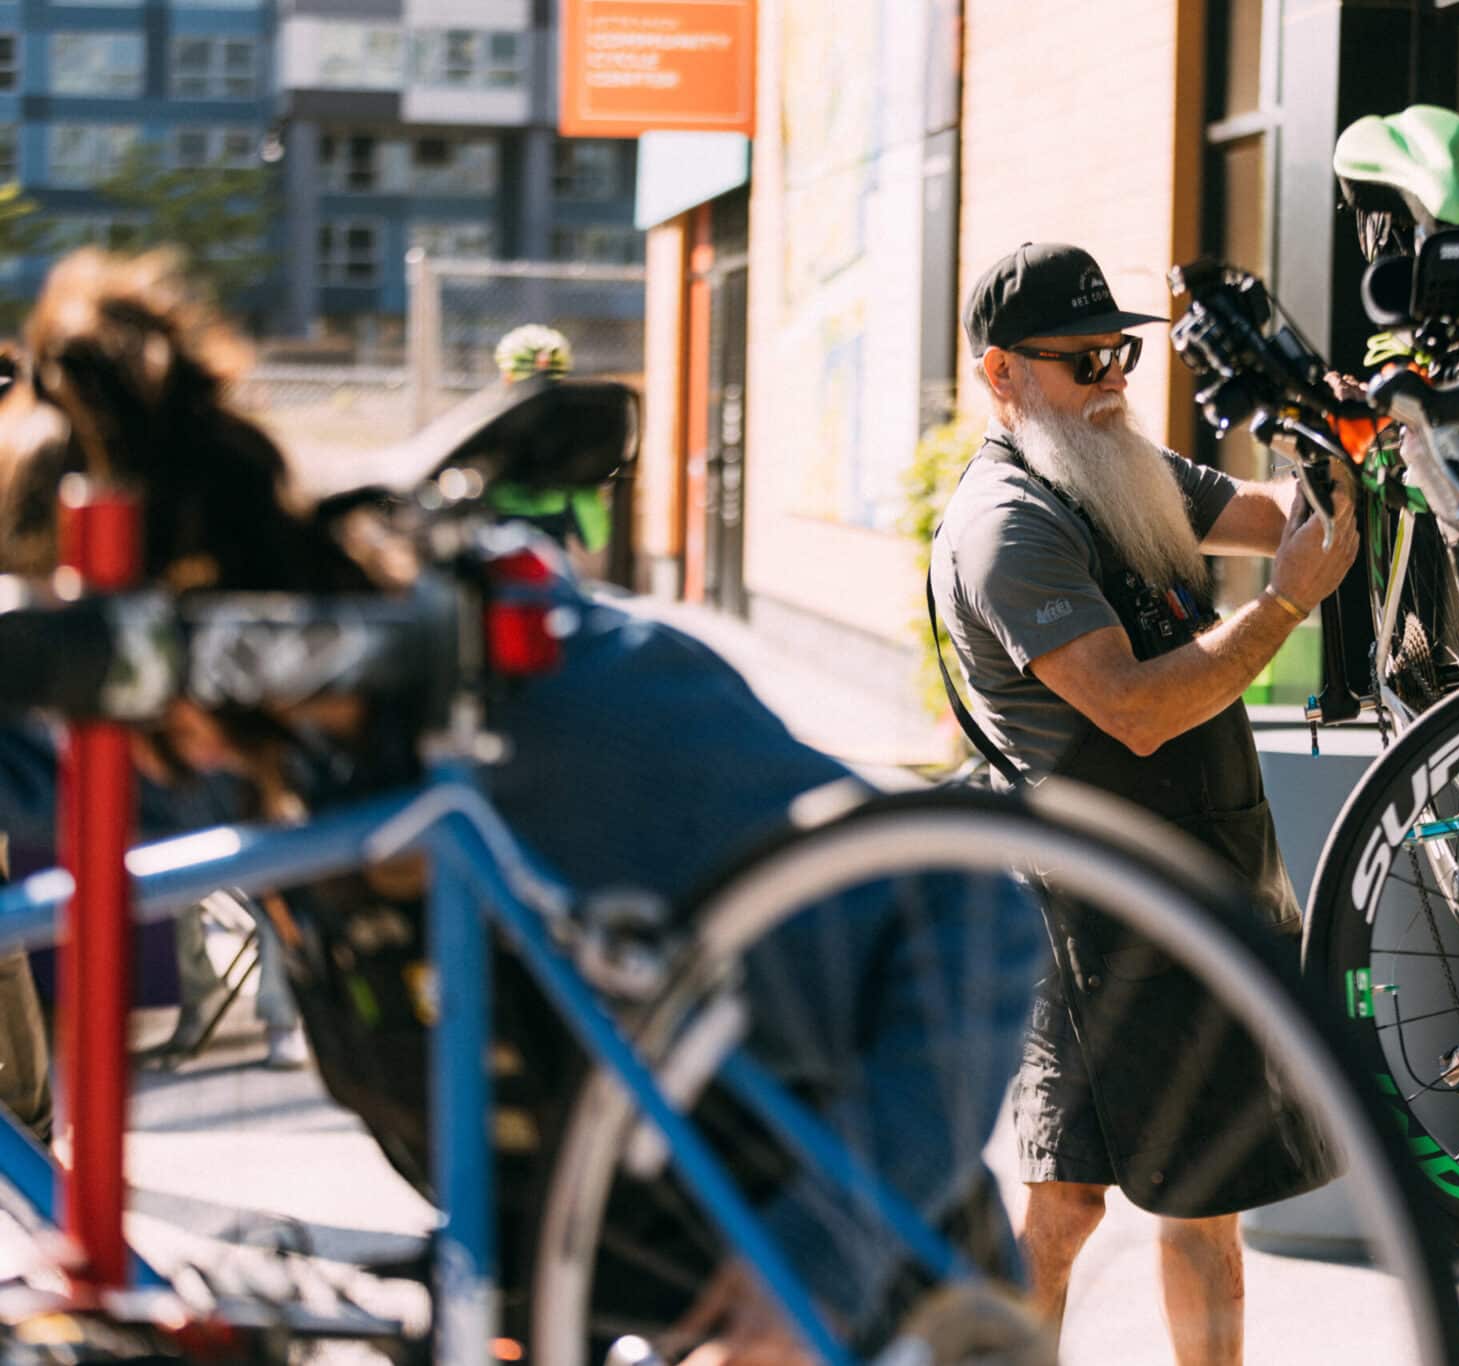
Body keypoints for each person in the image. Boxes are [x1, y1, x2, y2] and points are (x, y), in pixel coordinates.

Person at [0, 249, 1045, 1360]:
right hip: (585, 1278)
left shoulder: (561, 702)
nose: (134, 763)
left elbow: (969, 909)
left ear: (205, 638)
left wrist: (822, 1262)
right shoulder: (243, 744)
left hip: (870, 1308)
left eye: (135, 711)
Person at [930, 242, 1359, 1365]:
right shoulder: (1008, 525)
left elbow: (1273, 513)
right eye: (1082, 360)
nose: (1111, 375)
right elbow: (1129, 708)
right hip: (1092, 920)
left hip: (1190, 888)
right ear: (1001, 373)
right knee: (1067, 1207)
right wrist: (1279, 614)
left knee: (1199, 1197)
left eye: (1119, 350)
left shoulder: (1109, 462)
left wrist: (1347, 433)